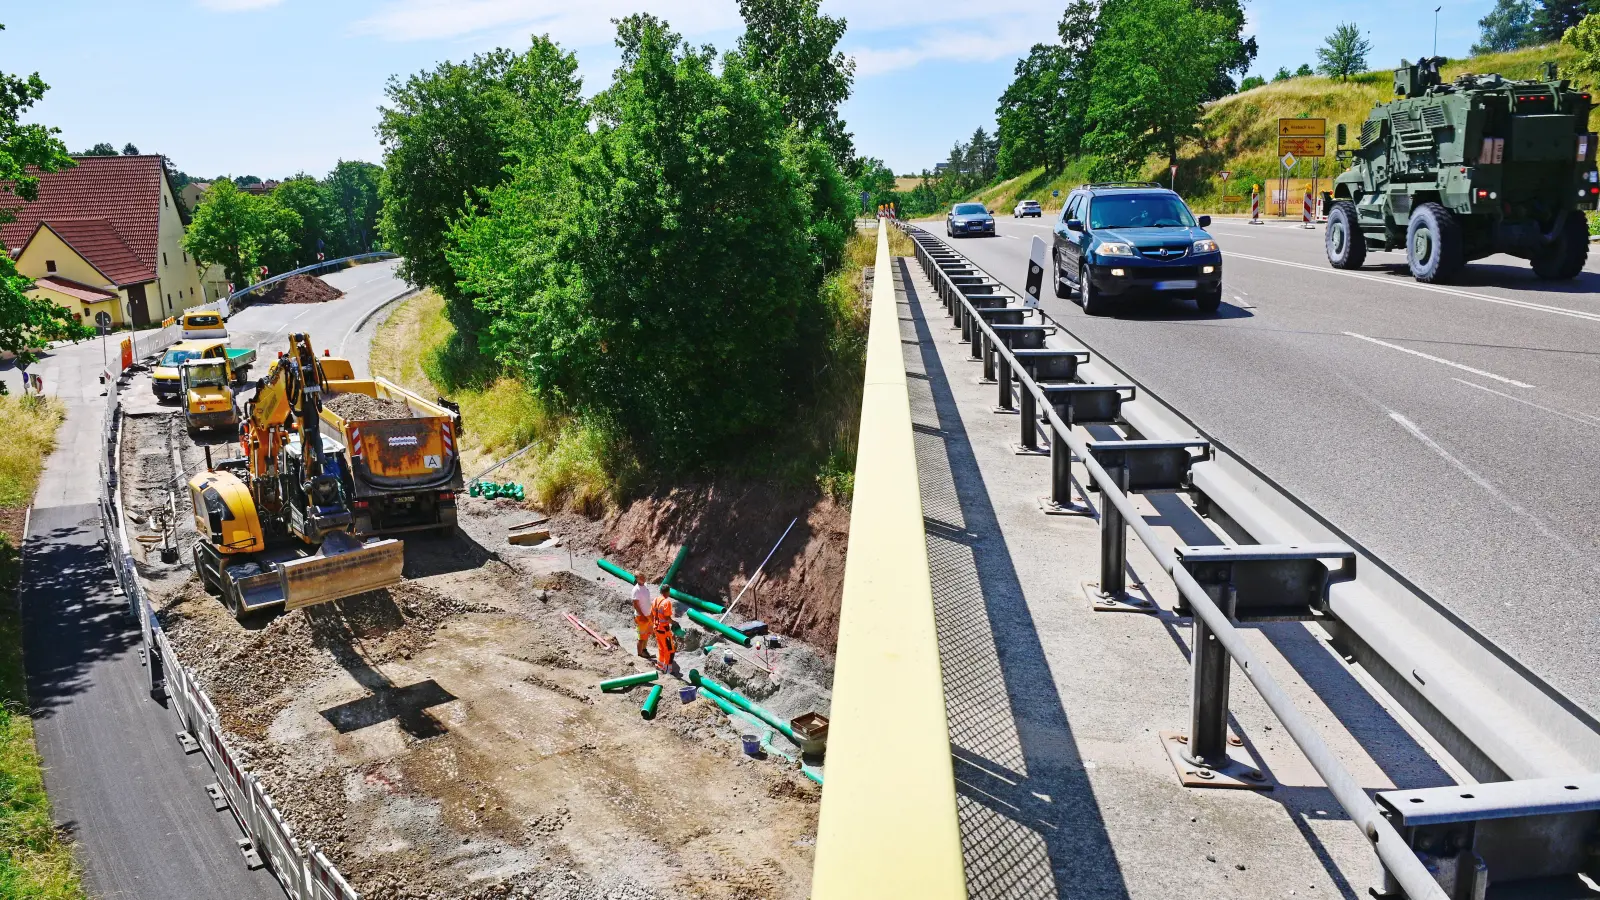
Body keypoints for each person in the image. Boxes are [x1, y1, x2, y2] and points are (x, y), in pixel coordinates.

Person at [651, 585, 678, 673]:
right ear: (668, 592)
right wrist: (674, 623)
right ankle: (667, 669)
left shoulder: (656, 599)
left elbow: (652, 614)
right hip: (664, 630)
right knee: (669, 650)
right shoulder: (666, 602)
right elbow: (667, 618)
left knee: (661, 647)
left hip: (656, 628)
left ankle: (660, 665)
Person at [631, 581, 655, 660]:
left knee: (646, 635)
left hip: (648, 615)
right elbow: (635, 605)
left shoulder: (645, 587)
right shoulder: (636, 590)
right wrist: (642, 615)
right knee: (641, 637)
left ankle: (644, 650)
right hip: (641, 617)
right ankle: (640, 656)